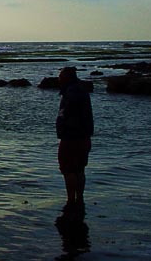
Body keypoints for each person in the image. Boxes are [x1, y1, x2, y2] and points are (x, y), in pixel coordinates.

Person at [56, 66, 94, 219]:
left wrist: (63, 126)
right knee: (79, 169)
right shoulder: (81, 90)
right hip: (83, 136)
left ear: (66, 78)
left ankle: (71, 200)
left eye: (60, 77)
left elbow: (68, 113)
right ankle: (79, 199)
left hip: (71, 137)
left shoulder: (71, 93)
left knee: (68, 169)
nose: (58, 79)